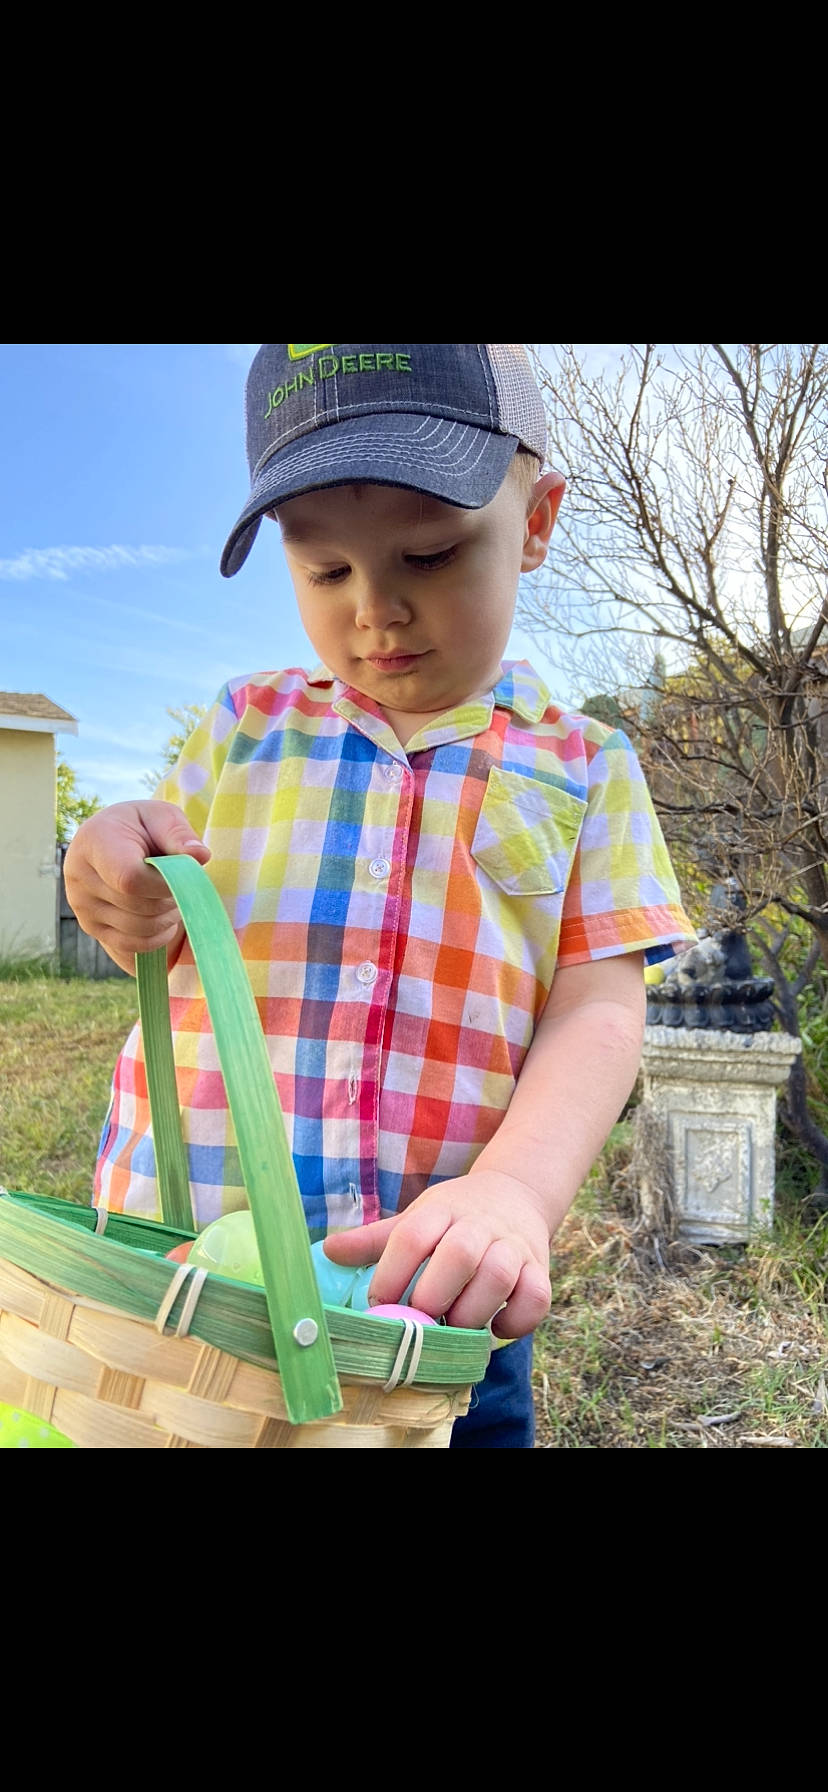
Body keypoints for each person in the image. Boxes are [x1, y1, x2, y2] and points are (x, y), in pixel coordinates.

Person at [64, 342, 696, 1448]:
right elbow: (162, 931)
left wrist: (515, 1194)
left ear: (536, 520)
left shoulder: (585, 764)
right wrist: (118, 878)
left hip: (435, 1298)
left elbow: (599, 1009)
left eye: (430, 553)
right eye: (325, 572)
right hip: (198, 1276)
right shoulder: (244, 726)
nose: (377, 610)